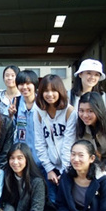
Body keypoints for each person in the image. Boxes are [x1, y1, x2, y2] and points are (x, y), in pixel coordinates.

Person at [34, 74, 77, 202]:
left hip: (69, 166)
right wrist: (49, 169)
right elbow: (40, 143)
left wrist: (64, 172)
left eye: (54, 90)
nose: (50, 94)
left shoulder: (70, 112)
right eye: (46, 91)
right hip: (50, 167)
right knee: (53, 201)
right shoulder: (39, 112)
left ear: (60, 91)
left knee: (69, 200)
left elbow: (68, 144)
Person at [10, 70, 40, 162]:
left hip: (41, 154)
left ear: (35, 85)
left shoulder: (42, 103)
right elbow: (11, 129)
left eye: (28, 84)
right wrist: (11, 115)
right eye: (21, 84)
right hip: (22, 154)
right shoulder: (16, 102)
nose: (24, 87)